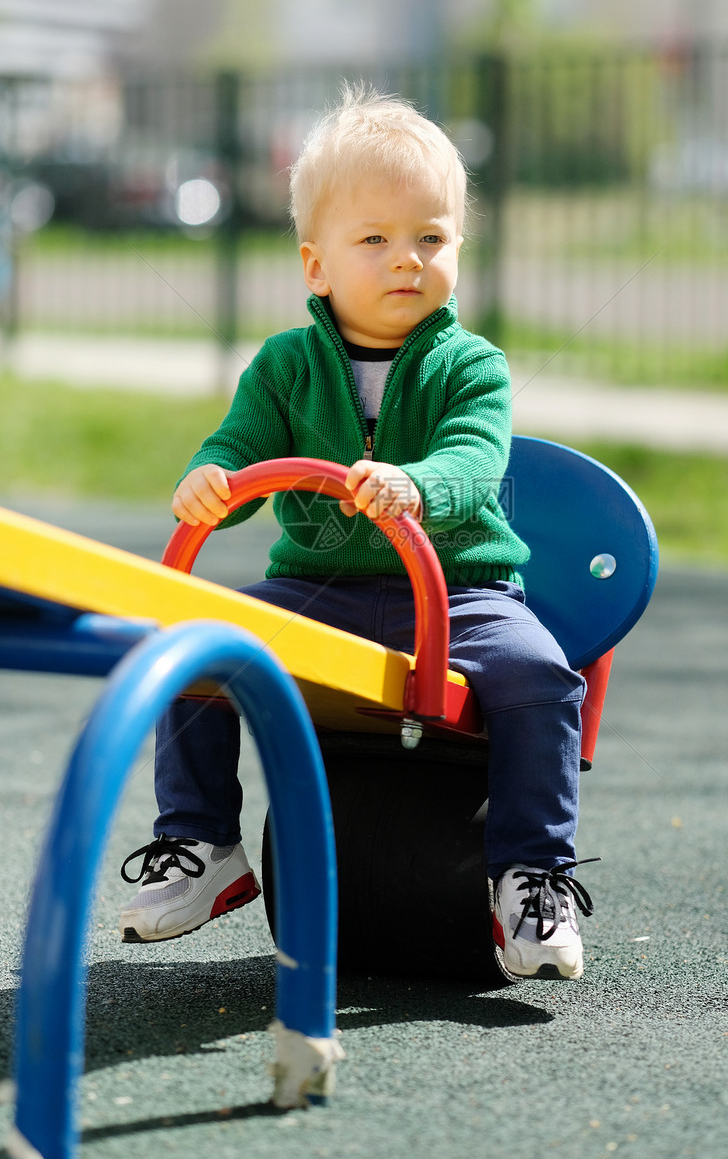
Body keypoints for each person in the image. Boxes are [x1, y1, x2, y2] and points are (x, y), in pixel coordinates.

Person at [118, 84, 595, 980]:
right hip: (321, 589)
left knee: (540, 677)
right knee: (194, 646)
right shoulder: (284, 365)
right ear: (316, 265)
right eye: (373, 239)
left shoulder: (471, 366)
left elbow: (472, 462)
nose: (405, 258)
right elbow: (241, 447)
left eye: (430, 236)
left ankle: (532, 874)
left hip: (462, 594)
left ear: (457, 247)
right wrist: (211, 480)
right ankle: (202, 843)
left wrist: (415, 485)